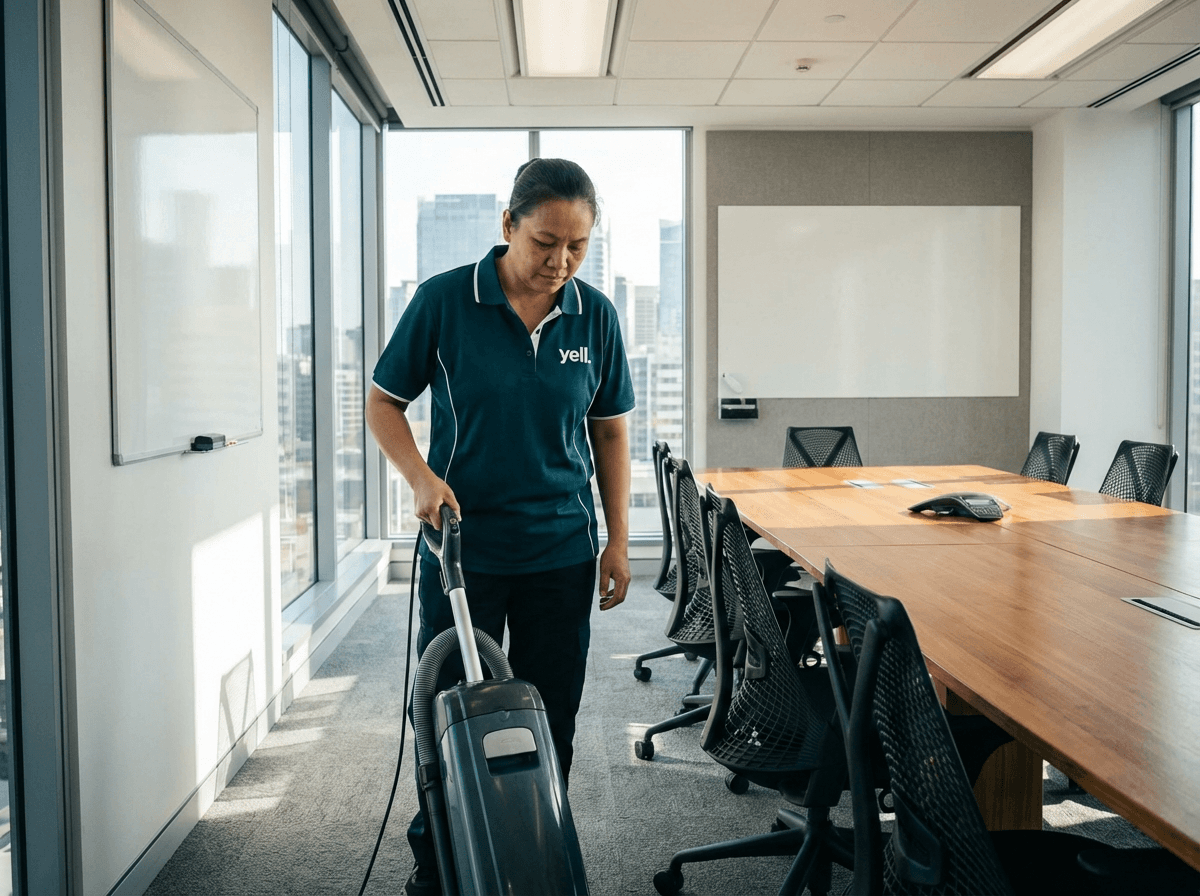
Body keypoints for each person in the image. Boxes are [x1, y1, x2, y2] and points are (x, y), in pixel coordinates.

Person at [365, 157, 634, 896]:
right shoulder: (446, 301)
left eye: (578, 245)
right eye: (546, 240)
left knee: (551, 710)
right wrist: (421, 478)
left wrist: (616, 538)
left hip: (561, 549)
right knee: (447, 706)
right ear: (508, 224)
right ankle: (440, 860)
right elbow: (383, 402)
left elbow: (610, 433)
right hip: (463, 549)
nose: (561, 261)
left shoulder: (594, 315)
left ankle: (534, 846)